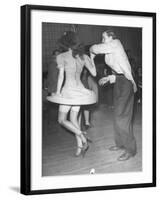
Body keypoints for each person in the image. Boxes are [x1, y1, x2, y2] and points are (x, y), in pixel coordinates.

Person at [47, 31, 97, 157]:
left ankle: (83, 137)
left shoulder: (62, 56)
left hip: (68, 91)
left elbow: (61, 77)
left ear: (65, 43)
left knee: (62, 119)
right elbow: (95, 74)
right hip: (80, 91)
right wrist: (92, 59)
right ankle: (80, 146)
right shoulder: (84, 56)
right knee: (74, 119)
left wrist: (58, 93)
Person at [90, 30, 137, 161]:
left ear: (111, 37)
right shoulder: (109, 51)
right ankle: (121, 144)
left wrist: (91, 49)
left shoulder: (116, 43)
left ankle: (130, 150)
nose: (102, 39)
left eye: (104, 37)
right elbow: (118, 69)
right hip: (119, 81)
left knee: (123, 117)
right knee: (117, 115)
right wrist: (109, 78)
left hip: (126, 83)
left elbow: (96, 48)